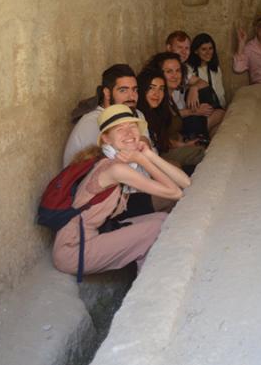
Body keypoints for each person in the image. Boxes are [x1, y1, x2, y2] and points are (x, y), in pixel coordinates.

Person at [52, 105, 191, 277]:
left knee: (163, 218)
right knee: (157, 226)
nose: (129, 133)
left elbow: (186, 182)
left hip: (94, 236)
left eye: (132, 126)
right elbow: (175, 193)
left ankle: (149, 277)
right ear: (106, 139)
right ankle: (149, 285)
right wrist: (142, 159)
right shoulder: (115, 169)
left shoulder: (110, 160)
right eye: (120, 129)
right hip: (74, 251)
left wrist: (148, 154)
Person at [63, 64, 150, 167]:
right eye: (123, 90)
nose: (132, 96)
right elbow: (110, 167)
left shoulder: (137, 114)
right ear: (107, 93)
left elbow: (148, 154)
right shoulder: (93, 122)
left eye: (135, 90)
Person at [136, 68, 205, 173]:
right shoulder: (138, 114)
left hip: (161, 153)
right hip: (152, 161)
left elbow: (162, 140)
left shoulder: (158, 111)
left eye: (161, 89)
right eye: (151, 88)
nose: (157, 94)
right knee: (199, 155)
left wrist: (184, 145)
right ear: (142, 89)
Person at [146, 52, 212, 141]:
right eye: (169, 71)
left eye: (178, 70)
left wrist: (194, 88)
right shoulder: (156, 96)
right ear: (158, 73)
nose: (175, 76)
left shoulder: (169, 95)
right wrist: (193, 111)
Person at [188, 33, 226, 136]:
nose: (208, 52)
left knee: (218, 130)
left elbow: (219, 93)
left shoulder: (215, 69)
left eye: (210, 48)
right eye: (204, 49)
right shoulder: (189, 69)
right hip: (196, 110)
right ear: (196, 51)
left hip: (213, 109)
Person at [165, 31, 208, 111]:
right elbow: (168, 113)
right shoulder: (162, 68)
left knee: (219, 112)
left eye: (187, 48)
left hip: (182, 113)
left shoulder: (183, 67)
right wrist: (192, 112)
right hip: (174, 118)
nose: (184, 52)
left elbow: (203, 83)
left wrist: (194, 88)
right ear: (169, 48)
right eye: (180, 47)